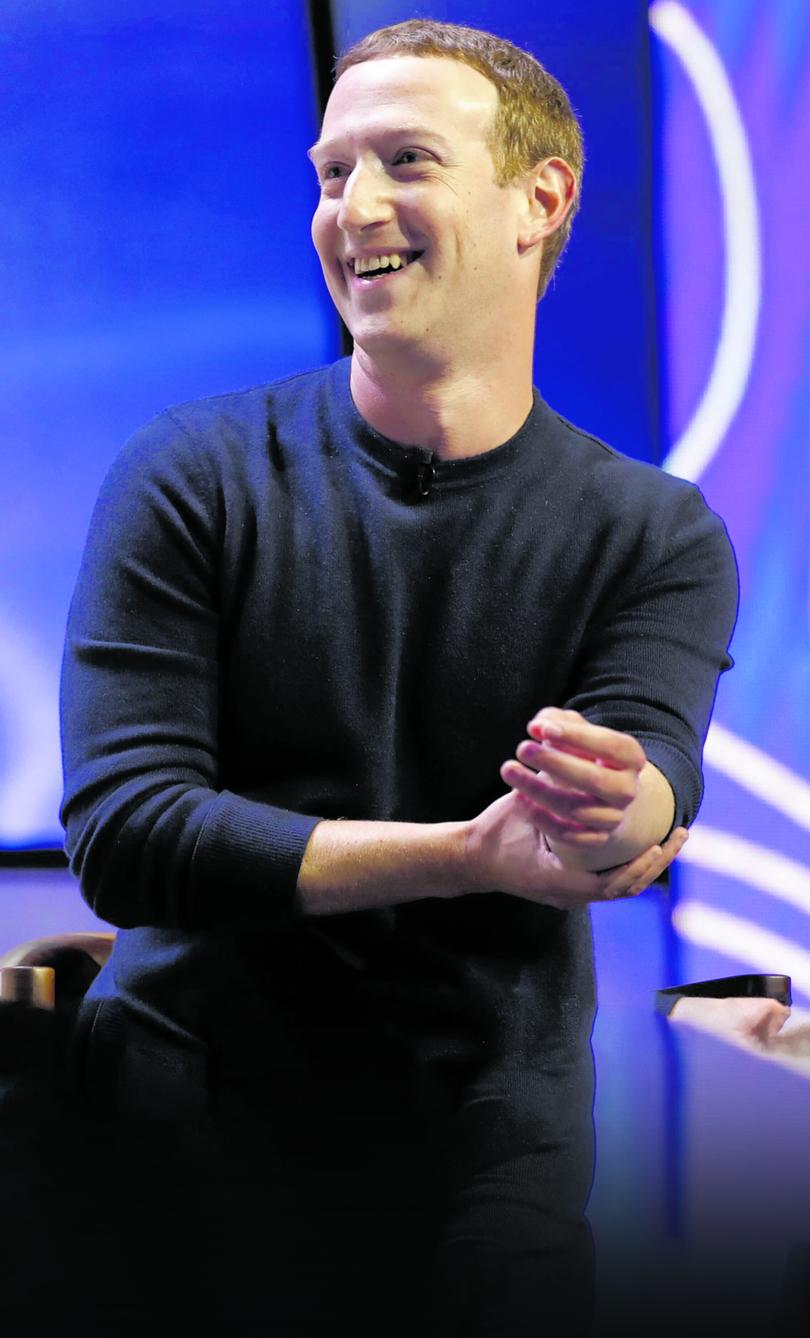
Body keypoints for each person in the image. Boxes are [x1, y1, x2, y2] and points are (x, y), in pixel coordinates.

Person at [58, 18, 738, 1337]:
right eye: (329, 173)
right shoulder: (190, 472)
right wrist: (462, 854)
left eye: (403, 162)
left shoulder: (651, 531)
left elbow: (654, 763)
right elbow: (128, 833)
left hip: (482, 1145)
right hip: (181, 1122)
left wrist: (626, 815)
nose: (351, 209)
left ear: (538, 201)